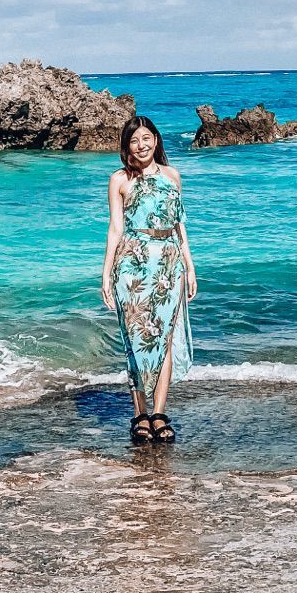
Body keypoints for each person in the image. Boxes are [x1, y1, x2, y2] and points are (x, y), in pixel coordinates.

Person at [101, 113, 196, 443]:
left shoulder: (172, 175)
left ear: (155, 140)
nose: (141, 146)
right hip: (132, 266)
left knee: (165, 339)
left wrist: (190, 266)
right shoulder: (120, 179)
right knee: (136, 341)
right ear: (127, 148)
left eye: (146, 138)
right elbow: (115, 229)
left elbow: (180, 225)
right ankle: (139, 414)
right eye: (133, 141)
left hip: (169, 265)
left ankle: (158, 413)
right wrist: (105, 273)